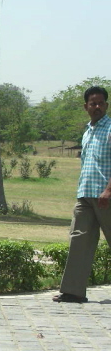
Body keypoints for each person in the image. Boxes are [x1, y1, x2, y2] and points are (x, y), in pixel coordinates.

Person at [54, 86, 111, 304]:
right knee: (79, 241)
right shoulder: (88, 131)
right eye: (93, 103)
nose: (97, 106)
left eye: (101, 103)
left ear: (106, 105)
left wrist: (108, 190)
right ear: (85, 106)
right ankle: (73, 292)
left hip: (106, 197)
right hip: (85, 195)